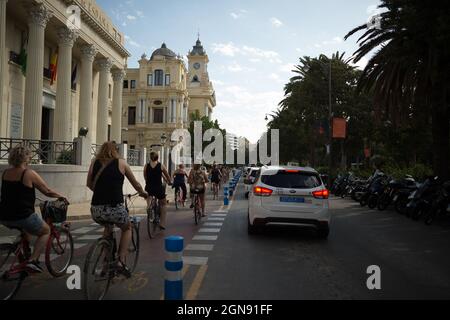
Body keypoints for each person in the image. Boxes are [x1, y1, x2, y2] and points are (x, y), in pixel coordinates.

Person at [0, 146, 68, 273]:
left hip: (4, 215)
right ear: (26, 158)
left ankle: (24, 253)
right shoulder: (28, 173)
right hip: (23, 215)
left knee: (26, 231)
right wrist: (61, 196)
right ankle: (33, 261)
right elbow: (47, 191)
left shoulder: (5, 173)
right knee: (45, 231)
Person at [87, 141, 147, 278]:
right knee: (127, 228)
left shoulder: (94, 162)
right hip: (115, 208)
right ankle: (120, 261)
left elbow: (89, 184)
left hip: (96, 209)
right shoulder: (122, 163)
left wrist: (101, 192)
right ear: (116, 150)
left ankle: (105, 262)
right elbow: (135, 184)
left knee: (108, 228)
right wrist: (143, 193)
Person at [144, 152, 172, 230]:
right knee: (163, 204)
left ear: (150, 157)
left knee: (149, 197)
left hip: (149, 187)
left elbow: (145, 175)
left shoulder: (146, 165)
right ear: (158, 158)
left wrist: (147, 181)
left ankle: (149, 208)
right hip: (158, 188)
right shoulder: (161, 166)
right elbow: (167, 175)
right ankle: (162, 223)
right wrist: (169, 182)